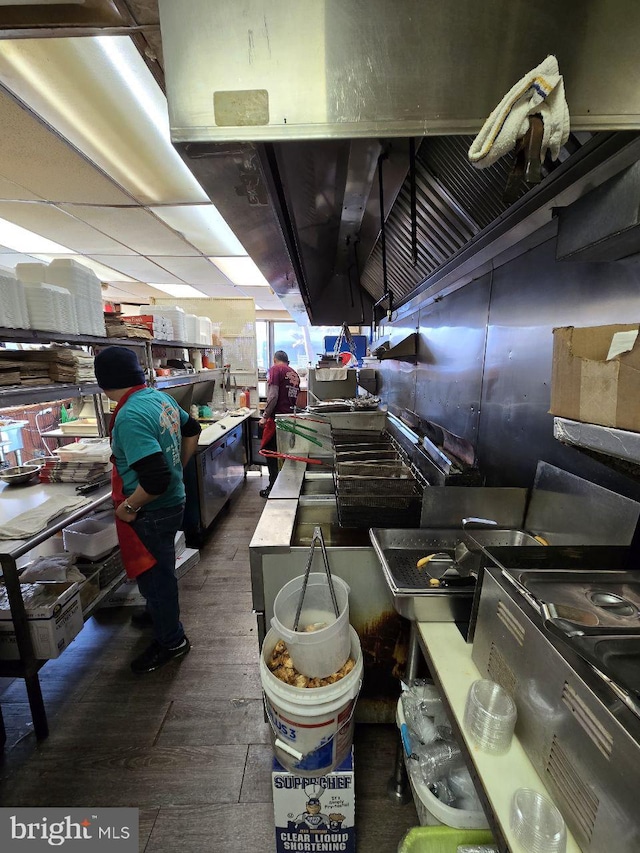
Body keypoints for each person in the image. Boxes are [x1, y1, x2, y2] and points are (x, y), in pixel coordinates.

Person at [94, 346, 202, 674]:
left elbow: (154, 479)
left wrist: (128, 507)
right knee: (156, 572)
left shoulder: (129, 416)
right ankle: (156, 611)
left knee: (158, 577)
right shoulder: (159, 398)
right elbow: (192, 429)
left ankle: (172, 641)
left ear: (104, 383)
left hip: (153, 510)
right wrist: (178, 467)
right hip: (171, 502)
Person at [258, 350, 300, 498]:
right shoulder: (294, 373)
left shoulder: (275, 370)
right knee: (283, 454)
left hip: (277, 421)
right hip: (290, 420)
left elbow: (273, 395)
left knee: (270, 453)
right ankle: (284, 485)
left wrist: (264, 416)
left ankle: (273, 487)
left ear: (275, 360)